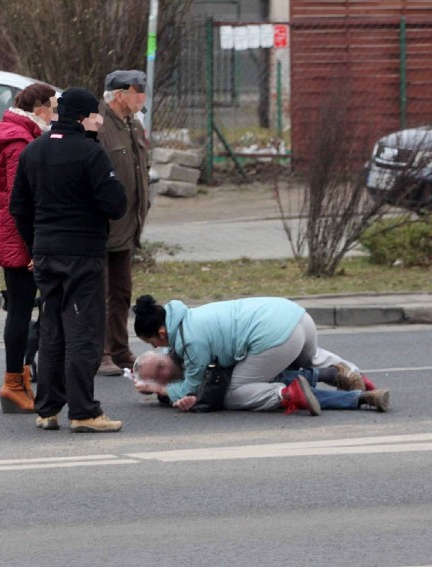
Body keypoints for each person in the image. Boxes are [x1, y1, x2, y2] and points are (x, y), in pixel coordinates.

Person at [10, 87, 127, 433]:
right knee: (84, 333)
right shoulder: (90, 154)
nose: (100, 119)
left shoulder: (33, 151)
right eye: (95, 114)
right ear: (81, 117)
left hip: (46, 253)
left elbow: (18, 206)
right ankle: (84, 411)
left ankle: (47, 409)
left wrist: (34, 245)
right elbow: (115, 205)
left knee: (52, 330)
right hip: (82, 255)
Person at [131, 295, 390, 414]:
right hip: (296, 315)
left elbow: (193, 385)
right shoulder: (189, 315)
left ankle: (287, 394)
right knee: (312, 357)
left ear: (162, 332)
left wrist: (162, 390)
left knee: (234, 392)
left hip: (275, 337)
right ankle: (357, 377)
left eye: (152, 341)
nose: (155, 348)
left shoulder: (190, 340)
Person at [0, 83, 57, 414]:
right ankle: (14, 383)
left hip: (10, 234)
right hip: (18, 238)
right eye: (52, 108)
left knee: (22, 308)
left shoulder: (13, 134)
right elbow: (20, 199)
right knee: (22, 310)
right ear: (38, 108)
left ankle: (20, 379)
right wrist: (31, 248)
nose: (54, 114)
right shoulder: (19, 142)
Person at [96, 70, 151, 376]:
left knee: (121, 293)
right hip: (103, 227)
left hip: (128, 226)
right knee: (99, 294)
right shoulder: (98, 126)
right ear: (119, 95)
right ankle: (100, 352)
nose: (141, 99)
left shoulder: (133, 124)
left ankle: (119, 349)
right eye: (137, 92)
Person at [131, 349, 389, 413]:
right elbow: (191, 395)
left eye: (162, 368)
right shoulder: (169, 388)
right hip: (240, 375)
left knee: (278, 384)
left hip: (240, 371)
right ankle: (358, 394)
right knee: (287, 388)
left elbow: (206, 382)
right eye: (158, 377)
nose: (164, 374)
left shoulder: (185, 349)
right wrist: (169, 395)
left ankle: (336, 379)